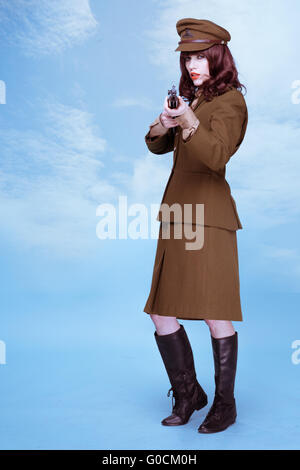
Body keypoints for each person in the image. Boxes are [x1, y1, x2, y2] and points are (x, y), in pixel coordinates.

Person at [143, 18, 248, 433]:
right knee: (161, 313)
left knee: (215, 314)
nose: (193, 65)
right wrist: (165, 122)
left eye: (201, 56)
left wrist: (188, 121)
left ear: (218, 56)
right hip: (176, 218)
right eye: (188, 58)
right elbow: (155, 145)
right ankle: (189, 394)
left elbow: (216, 156)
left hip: (209, 218)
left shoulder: (230, 103)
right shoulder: (193, 100)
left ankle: (225, 405)